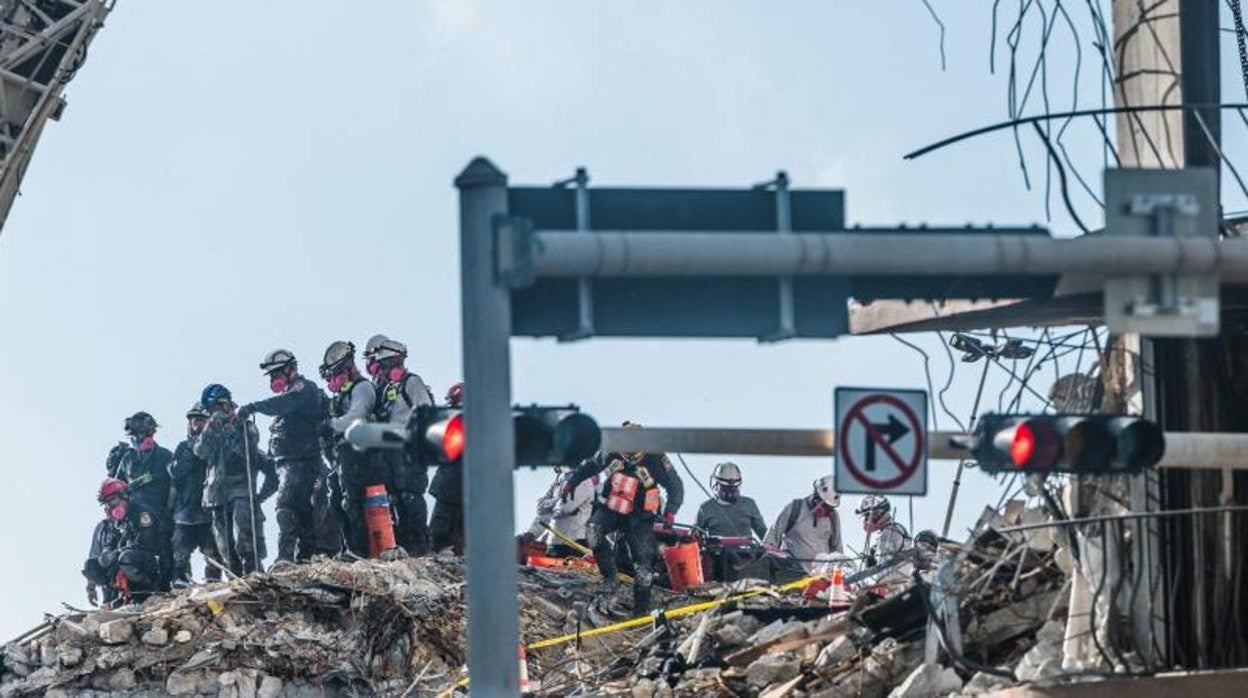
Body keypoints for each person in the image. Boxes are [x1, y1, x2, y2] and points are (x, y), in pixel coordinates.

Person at [562, 423, 685, 613]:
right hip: (612, 507)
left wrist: (671, 510)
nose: (629, 457)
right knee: (593, 531)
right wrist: (571, 483)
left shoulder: (656, 458)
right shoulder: (611, 450)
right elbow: (591, 466)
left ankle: (641, 612)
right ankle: (610, 577)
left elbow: (675, 485)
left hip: (640, 517)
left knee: (643, 566)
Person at [237, 349, 330, 563]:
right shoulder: (282, 418)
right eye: (271, 376)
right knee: (297, 509)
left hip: (306, 463)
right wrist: (260, 496)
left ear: (290, 369)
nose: (273, 379)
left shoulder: (304, 390)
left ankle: (286, 558)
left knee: (286, 507)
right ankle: (303, 558)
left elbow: (286, 401)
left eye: (277, 374)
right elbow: (275, 468)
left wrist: (254, 407)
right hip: (288, 468)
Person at [195, 383, 277, 575]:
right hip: (217, 497)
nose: (216, 413)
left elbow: (247, 453)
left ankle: (254, 575)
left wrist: (260, 496)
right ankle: (234, 579)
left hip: (241, 492)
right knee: (225, 548)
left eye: (218, 408)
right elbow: (200, 452)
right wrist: (212, 426)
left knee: (245, 542)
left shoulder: (245, 426)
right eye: (211, 410)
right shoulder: (211, 432)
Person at [364, 335, 434, 556]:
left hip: (409, 450)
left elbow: (426, 412)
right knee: (395, 499)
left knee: (411, 496)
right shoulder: (387, 389)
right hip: (391, 452)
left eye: (387, 366)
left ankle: (420, 547)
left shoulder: (412, 382)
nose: (384, 371)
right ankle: (404, 545)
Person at [320, 341, 379, 557]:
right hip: (342, 455)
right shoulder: (341, 396)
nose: (334, 380)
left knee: (352, 502)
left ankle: (361, 550)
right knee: (337, 502)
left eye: (336, 373)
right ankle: (349, 548)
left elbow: (356, 417)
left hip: (358, 453)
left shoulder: (362, 387)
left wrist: (331, 425)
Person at [82, 478, 166, 604]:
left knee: (126, 558)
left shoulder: (142, 514)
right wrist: (91, 586)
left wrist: (116, 553)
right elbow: (102, 551)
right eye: (106, 503)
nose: (110, 506)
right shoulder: (110, 525)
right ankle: (120, 595)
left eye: (113, 500)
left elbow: (146, 544)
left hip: (149, 564)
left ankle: (148, 593)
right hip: (122, 564)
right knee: (91, 565)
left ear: (125, 496)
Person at [115, 411, 174, 581]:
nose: (139, 438)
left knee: (167, 552)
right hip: (135, 517)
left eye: (143, 434)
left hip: (161, 513)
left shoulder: (165, 455)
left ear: (151, 433)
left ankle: (169, 585)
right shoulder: (127, 459)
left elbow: (174, 484)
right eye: (135, 435)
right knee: (132, 551)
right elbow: (118, 486)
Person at [168, 403, 222, 586]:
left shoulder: (216, 444)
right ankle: (181, 582)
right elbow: (174, 473)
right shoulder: (183, 447)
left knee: (212, 552)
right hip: (184, 511)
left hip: (209, 508)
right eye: (194, 421)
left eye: (201, 421)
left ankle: (212, 583)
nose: (197, 425)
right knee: (180, 552)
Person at [763, 475, 844, 574]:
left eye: (828, 507)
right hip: (790, 575)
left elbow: (837, 551)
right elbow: (769, 543)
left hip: (820, 578)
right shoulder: (794, 508)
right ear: (815, 495)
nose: (825, 510)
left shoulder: (833, 517)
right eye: (823, 505)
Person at [429, 382, 465, 554]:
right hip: (462, 493)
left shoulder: (458, 425)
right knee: (461, 538)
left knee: (439, 536)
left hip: (450, 491)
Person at [529, 465, 597, 556]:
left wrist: (549, 504)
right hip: (553, 544)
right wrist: (532, 533)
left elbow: (564, 508)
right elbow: (540, 509)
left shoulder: (584, 482)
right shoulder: (559, 481)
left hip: (573, 545)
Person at [695, 462, 767, 540]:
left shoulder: (749, 505)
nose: (730, 492)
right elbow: (695, 535)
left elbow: (765, 536)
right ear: (716, 484)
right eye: (726, 488)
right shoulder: (706, 508)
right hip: (716, 551)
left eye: (733, 488)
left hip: (746, 551)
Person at [856, 494, 912, 588]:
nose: (866, 521)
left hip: (891, 590)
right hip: (900, 585)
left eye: (867, 516)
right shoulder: (896, 529)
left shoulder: (888, 533)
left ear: (877, 513)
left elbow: (883, 573)